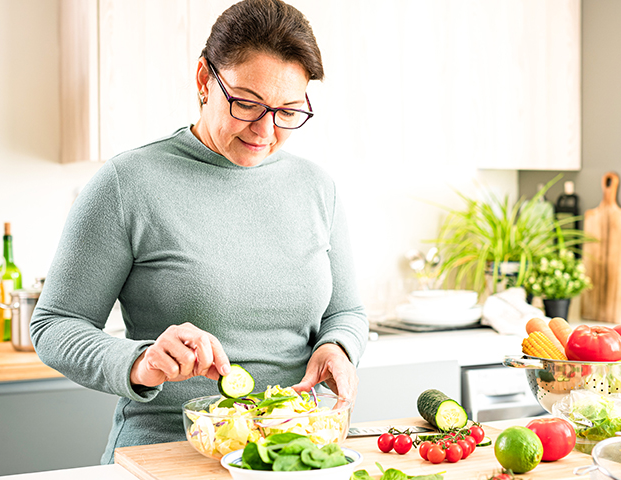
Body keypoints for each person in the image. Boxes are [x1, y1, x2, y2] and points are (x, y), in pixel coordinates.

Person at [30, 0, 368, 464]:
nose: (266, 130)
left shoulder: (316, 187)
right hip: (170, 452)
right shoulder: (127, 184)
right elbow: (55, 326)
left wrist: (338, 346)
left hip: (292, 454)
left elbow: (347, 311)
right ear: (204, 80)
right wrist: (141, 362)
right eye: (247, 104)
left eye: (288, 111)